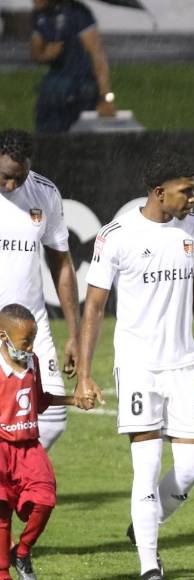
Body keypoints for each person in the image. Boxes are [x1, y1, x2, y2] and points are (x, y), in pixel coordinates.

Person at [74, 150, 194, 580]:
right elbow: (95, 305)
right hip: (139, 367)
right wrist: (86, 372)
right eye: (187, 191)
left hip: (183, 366)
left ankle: (144, 522)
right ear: (160, 192)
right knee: (145, 469)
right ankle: (150, 566)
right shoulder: (118, 235)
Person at [0, 128, 80, 452]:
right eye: (5, 176)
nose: (10, 185)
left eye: (18, 178)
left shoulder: (44, 193)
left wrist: (73, 333)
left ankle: (11, 474)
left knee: (53, 417)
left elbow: (62, 264)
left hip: (30, 323)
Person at [0, 303, 74, 580]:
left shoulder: (33, 363)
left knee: (45, 500)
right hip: (2, 448)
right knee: (2, 513)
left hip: (30, 448)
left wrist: (72, 400)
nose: (30, 347)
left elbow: (39, 400)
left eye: (33, 339)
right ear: (3, 337)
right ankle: (3, 577)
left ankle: (23, 550)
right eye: (25, 341)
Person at [29, 0, 116, 134]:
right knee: (47, 135)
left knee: (79, 138)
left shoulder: (77, 13)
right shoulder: (38, 16)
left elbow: (97, 56)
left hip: (81, 85)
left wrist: (105, 98)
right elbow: (35, 52)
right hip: (53, 88)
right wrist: (45, 55)